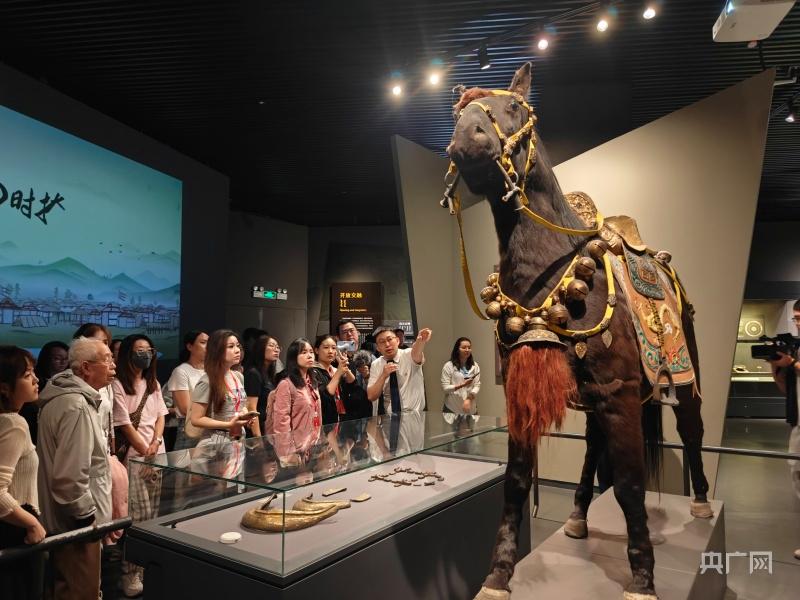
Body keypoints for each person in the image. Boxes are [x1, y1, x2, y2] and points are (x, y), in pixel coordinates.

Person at [37, 337, 114, 600]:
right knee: (80, 592)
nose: (113, 365)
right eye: (106, 359)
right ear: (86, 368)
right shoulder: (77, 405)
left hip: (67, 525)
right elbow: (70, 479)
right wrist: (88, 521)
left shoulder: (67, 398)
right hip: (76, 528)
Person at [112, 334, 167, 597]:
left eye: (148, 350)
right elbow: (124, 424)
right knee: (138, 517)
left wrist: (156, 443)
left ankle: (143, 567)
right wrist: (145, 452)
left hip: (156, 455)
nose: (145, 354)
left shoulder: (153, 383)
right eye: (139, 350)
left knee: (153, 516)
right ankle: (130, 571)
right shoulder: (117, 384)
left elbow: (160, 417)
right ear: (128, 353)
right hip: (134, 458)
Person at [0, 346, 46, 600]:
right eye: (27, 375)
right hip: (14, 530)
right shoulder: (14, 423)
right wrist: (32, 523)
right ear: (5, 387)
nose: (36, 379)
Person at [766, 300, 800, 561]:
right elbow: (785, 390)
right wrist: (776, 367)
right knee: (797, 476)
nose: (797, 323)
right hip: (798, 424)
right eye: (796, 318)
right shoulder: (795, 349)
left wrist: (792, 363)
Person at [189, 330, 254, 443]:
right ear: (217, 351)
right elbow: (196, 419)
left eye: (238, 346)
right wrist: (228, 424)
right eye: (231, 346)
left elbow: (240, 404)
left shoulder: (238, 376)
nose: (237, 350)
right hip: (215, 441)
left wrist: (245, 416)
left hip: (238, 438)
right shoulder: (207, 381)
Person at [269, 339, 323, 461]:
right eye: (303, 352)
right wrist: (288, 453)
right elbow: (281, 422)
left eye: (311, 352)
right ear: (294, 357)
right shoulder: (286, 384)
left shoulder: (312, 382)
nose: (309, 355)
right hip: (295, 449)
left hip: (312, 446)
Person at [367, 326, 432, 415]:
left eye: (390, 339)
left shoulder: (408, 354)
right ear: (378, 347)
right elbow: (371, 396)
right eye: (382, 342)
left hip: (414, 414)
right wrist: (383, 375)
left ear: (397, 340)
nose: (387, 344)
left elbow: (416, 352)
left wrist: (420, 341)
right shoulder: (376, 364)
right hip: (390, 416)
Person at [165, 330, 209, 450]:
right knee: (187, 462)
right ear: (190, 346)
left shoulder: (211, 370)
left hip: (212, 428)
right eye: (203, 342)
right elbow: (185, 409)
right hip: (190, 429)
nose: (208, 347)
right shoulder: (181, 371)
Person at [21, 340, 69, 444]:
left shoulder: (70, 381)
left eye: (66, 359)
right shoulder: (35, 382)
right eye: (57, 358)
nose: (63, 362)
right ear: (46, 359)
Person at [243, 335, 280, 437]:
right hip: (256, 431)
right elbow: (251, 408)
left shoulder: (269, 374)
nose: (276, 349)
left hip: (267, 427)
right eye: (271, 345)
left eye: (277, 347)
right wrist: (258, 437)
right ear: (260, 348)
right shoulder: (253, 373)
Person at [312, 335, 353, 425]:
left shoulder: (334, 370)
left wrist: (343, 364)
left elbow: (353, 384)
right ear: (317, 350)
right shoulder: (312, 371)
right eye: (326, 347)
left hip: (340, 419)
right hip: (324, 421)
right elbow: (324, 396)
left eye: (334, 348)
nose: (330, 351)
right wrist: (339, 372)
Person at [440, 337, 481, 415]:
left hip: (470, 409)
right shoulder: (448, 366)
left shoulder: (475, 366)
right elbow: (445, 388)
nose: (467, 350)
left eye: (469, 347)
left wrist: (469, 399)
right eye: (464, 347)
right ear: (457, 350)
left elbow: (477, 385)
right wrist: (462, 385)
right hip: (452, 409)